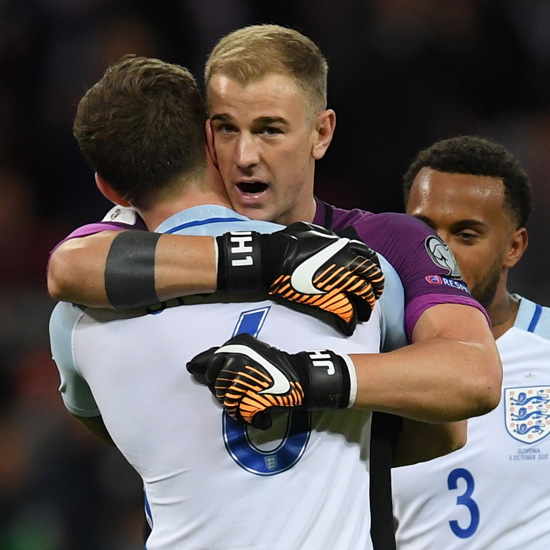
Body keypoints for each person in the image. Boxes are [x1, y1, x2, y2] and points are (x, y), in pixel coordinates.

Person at [47, 25, 502, 548]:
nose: (243, 156)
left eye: (269, 130)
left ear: (321, 132)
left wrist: (303, 379)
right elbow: (66, 268)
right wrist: (274, 258)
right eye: (225, 128)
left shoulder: (385, 243)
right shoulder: (135, 237)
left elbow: (474, 379)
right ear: (201, 136)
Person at [392, 135, 550, 549]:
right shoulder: (374, 358)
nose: (437, 252)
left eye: (465, 234)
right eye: (422, 230)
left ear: (513, 247)